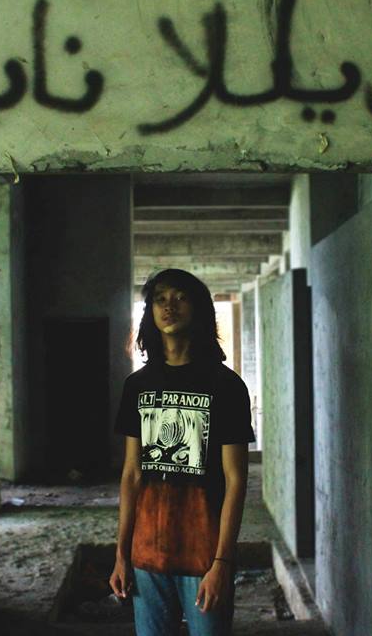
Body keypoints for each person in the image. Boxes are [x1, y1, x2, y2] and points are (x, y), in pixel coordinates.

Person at [109, 268, 255, 636]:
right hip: (147, 552)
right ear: (150, 313)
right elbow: (132, 474)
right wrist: (122, 554)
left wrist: (222, 562)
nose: (169, 306)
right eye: (160, 299)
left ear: (199, 309)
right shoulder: (137, 385)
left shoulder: (226, 386)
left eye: (180, 298)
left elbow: (236, 480)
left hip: (204, 553)